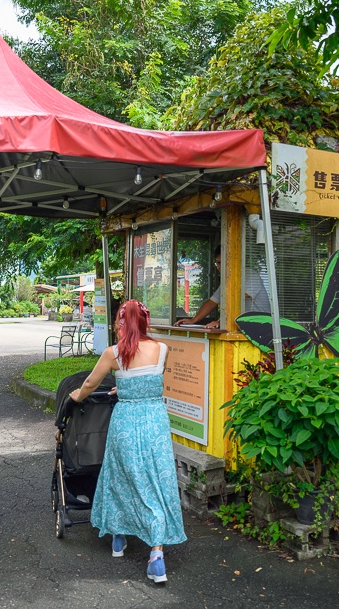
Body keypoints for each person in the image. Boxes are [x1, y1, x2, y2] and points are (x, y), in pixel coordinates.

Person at [69, 299, 186, 584]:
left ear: (121, 324)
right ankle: (156, 554)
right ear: (146, 323)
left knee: (122, 476)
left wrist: (76, 397)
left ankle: (118, 538)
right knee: (155, 480)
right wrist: (124, 386)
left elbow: (90, 385)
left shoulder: (113, 353)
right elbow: (149, 380)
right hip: (155, 421)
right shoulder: (163, 350)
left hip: (126, 422)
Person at [175, 245, 271, 329]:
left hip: (262, 326)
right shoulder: (229, 280)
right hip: (246, 326)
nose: (218, 266)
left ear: (232, 261)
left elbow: (236, 302)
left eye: (221, 263)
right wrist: (193, 320)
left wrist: (221, 322)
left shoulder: (249, 275)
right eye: (217, 263)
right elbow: (212, 302)